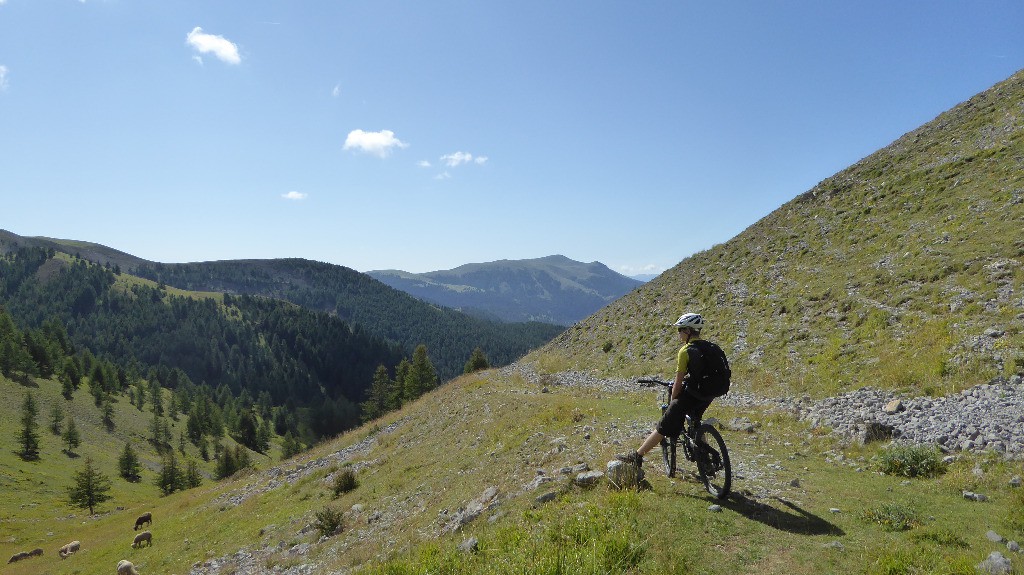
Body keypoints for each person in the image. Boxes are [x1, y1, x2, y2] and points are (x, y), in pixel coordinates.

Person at [617, 312, 718, 472]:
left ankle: (637, 456)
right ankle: (706, 461)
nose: (678, 333)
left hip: (695, 394)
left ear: (688, 331)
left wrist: (673, 400)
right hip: (711, 393)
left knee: (664, 424)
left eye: (680, 330)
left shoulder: (685, 351)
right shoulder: (710, 347)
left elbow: (678, 383)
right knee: (696, 420)